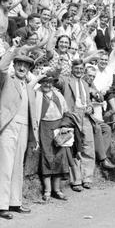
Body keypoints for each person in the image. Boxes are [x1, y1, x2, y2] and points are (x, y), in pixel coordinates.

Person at [0, 44, 39, 219]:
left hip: (24, 128)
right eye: (19, 64)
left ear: (28, 69)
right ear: (14, 65)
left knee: (18, 166)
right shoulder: (6, 80)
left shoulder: (29, 86)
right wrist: (12, 51)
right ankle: (2, 205)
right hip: (8, 127)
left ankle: (15, 202)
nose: (21, 68)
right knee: (5, 165)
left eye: (25, 66)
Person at [35, 72, 78, 201]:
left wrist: (64, 125)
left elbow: (66, 113)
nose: (47, 84)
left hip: (58, 127)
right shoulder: (37, 95)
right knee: (47, 156)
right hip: (43, 127)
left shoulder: (58, 95)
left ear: (53, 83)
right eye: (44, 81)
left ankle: (57, 189)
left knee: (60, 156)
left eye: (49, 82)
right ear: (40, 82)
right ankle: (47, 191)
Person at [57, 59, 98, 190]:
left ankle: (87, 178)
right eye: (76, 68)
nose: (79, 71)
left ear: (84, 70)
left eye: (81, 69)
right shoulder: (65, 80)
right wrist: (58, 68)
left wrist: (90, 107)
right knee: (74, 148)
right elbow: (56, 80)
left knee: (88, 146)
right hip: (72, 115)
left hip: (85, 115)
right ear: (72, 69)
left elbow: (88, 101)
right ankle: (76, 180)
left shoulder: (86, 83)